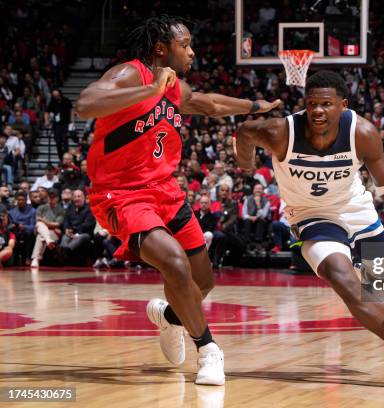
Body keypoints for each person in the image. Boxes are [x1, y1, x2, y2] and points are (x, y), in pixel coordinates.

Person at [75, 15, 279, 386]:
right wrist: (150, 89)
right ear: (161, 49)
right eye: (185, 45)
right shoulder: (130, 74)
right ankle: (209, 350)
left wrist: (254, 105)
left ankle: (168, 317)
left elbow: (207, 104)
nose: (191, 51)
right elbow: (86, 104)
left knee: (203, 283)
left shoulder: (176, 88)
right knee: (173, 262)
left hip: (166, 191)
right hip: (121, 194)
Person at [236, 70, 384, 389]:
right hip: (310, 215)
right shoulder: (282, 132)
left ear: (343, 105)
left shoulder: (362, 132)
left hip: (357, 210)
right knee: (344, 280)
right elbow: (244, 131)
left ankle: (363, 274)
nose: (318, 111)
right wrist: (247, 165)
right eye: (312, 104)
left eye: (326, 104)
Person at [31, 188, 64, 268]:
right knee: (39, 225)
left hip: (53, 233)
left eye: (53, 197)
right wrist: (47, 223)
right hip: (40, 229)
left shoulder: (61, 210)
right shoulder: (41, 207)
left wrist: (44, 221)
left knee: (41, 236)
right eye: (49, 196)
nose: (51, 199)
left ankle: (36, 258)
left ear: (57, 198)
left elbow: (56, 224)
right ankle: (48, 240)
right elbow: (38, 221)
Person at [8, 191, 36, 265]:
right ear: (16, 200)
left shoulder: (32, 211)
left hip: (27, 232)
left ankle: (28, 257)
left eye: (22, 200)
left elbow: (33, 225)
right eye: (19, 200)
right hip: (15, 232)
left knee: (29, 233)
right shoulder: (11, 212)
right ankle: (13, 258)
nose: (20, 201)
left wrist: (24, 227)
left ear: (26, 200)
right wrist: (11, 226)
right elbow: (8, 226)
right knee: (11, 234)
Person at [45, 89, 73, 160]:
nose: (56, 97)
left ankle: (66, 158)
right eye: (54, 95)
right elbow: (47, 112)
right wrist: (46, 121)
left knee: (65, 140)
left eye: (57, 95)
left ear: (60, 94)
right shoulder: (52, 102)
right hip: (56, 125)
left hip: (65, 123)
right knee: (58, 142)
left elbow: (71, 111)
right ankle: (61, 158)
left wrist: (72, 122)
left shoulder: (66, 101)